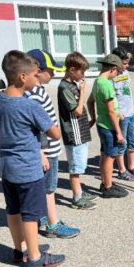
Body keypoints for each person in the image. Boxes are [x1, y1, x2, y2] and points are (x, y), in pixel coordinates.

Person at [0, 50, 65, 267]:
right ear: (23, 77)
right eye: (35, 74)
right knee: (31, 214)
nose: (37, 78)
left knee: (13, 210)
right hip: (28, 167)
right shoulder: (30, 106)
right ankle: (34, 257)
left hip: (6, 166)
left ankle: (19, 249)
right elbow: (55, 134)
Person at [26, 49, 80, 238]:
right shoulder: (34, 94)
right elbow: (35, 127)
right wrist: (41, 151)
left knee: (45, 187)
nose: (55, 73)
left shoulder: (37, 90)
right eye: (51, 70)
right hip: (46, 151)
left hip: (49, 149)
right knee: (49, 188)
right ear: (37, 70)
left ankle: (43, 216)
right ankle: (53, 225)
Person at [57, 52, 98, 209]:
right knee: (75, 168)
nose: (83, 75)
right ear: (72, 69)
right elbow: (78, 111)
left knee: (80, 165)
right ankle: (77, 198)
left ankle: (79, 191)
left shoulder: (72, 84)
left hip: (81, 132)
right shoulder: (64, 87)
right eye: (82, 71)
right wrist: (82, 91)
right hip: (74, 135)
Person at [87, 54, 129, 198]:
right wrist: (119, 132)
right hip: (109, 126)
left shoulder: (97, 81)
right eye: (117, 71)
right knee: (110, 157)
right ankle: (108, 188)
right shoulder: (106, 84)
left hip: (101, 124)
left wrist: (93, 118)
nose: (117, 74)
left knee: (104, 155)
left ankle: (105, 181)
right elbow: (111, 111)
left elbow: (90, 101)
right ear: (112, 69)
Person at [111, 48, 134, 181]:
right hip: (122, 115)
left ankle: (131, 167)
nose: (127, 66)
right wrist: (118, 112)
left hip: (131, 113)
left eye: (127, 63)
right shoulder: (111, 76)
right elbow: (111, 97)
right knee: (122, 144)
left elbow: (127, 92)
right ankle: (122, 170)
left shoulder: (126, 72)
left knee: (133, 142)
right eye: (124, 63)